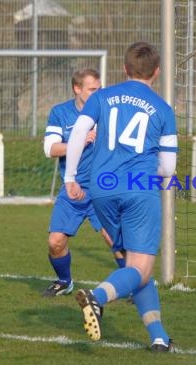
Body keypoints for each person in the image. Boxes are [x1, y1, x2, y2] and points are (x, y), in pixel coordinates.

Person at [64, 42, 178, 352]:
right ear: (157, 71)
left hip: (101, 189)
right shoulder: (163, 109)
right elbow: (168, 168)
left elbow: (77, 133)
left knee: (135, 268)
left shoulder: (101, 97)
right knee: (139, 268)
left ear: (124, 69)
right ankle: (96, 298)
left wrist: (70, 176)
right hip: (138, 189)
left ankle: (158, 337)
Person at [42, 68, 126, 297]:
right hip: (73, 189)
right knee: (55, 242)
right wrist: (78, 141)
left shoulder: (108, 112)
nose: (97, 93)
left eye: (99, 89)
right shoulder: (60, 113)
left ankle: (134, 285)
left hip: (102, 187)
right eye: (92, 89)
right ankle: (64, 281)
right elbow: (50, 149)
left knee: (114, 239)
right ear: (77, 89)